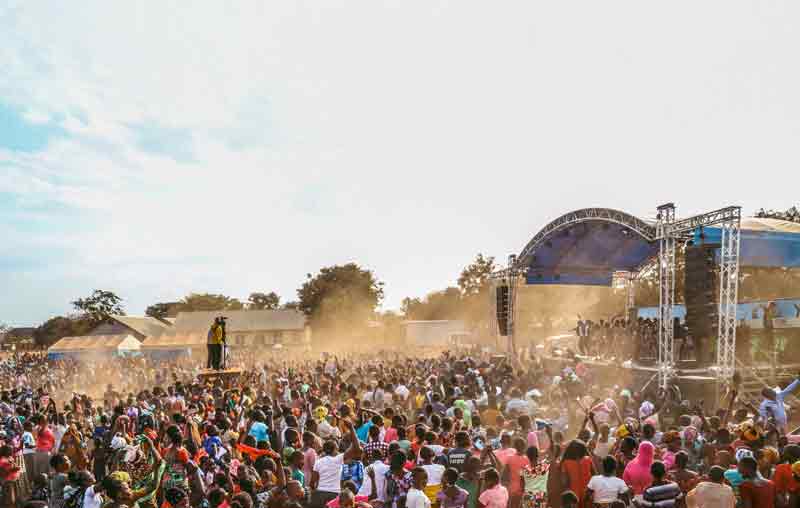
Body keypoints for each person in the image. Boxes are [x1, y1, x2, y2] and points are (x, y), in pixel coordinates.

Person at [310, 421, 362, 508]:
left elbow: (312, 482)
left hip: (319, 495)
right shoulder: (338, 459)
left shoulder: (318, 461)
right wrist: (352, 428)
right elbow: (356, 447)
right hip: (334, 496)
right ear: (335, 449)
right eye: (337, 449)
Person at [560, 440, 593, 507]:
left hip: (574, 494)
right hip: (587, 493)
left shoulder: (565, 463)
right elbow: (594, 475)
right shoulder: (588, 459)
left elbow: (564, 481)